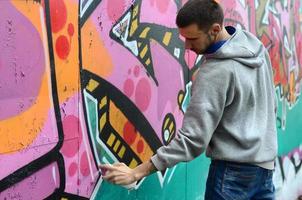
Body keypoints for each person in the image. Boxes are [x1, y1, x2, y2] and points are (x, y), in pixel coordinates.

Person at [100, 0, 278, 199]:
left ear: (215, 29)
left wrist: (136, 172)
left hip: (231, 177)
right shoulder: (256, 49)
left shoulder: (214, 73)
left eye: (192, 38)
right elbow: (272, 107)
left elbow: (193, 140)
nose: (186, 45)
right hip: (265, 171)